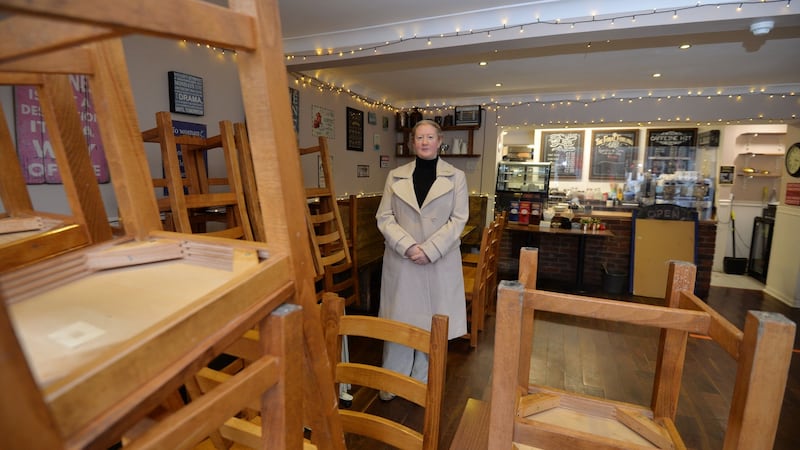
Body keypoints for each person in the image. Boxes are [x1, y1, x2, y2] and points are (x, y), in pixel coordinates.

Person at [375, 119, 468, 400]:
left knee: (432, 327)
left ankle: (423, 383)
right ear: (412, 142)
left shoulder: (456, 177)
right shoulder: (395, 175)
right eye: (419, 138)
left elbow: (459, 219)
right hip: (403, 259)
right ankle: (393, 380)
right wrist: (408, 246)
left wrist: (430, 249)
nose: (425, 142)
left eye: (430, 137)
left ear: (440, 141)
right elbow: (384, 216)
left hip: (438, 261)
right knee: (399, 322)